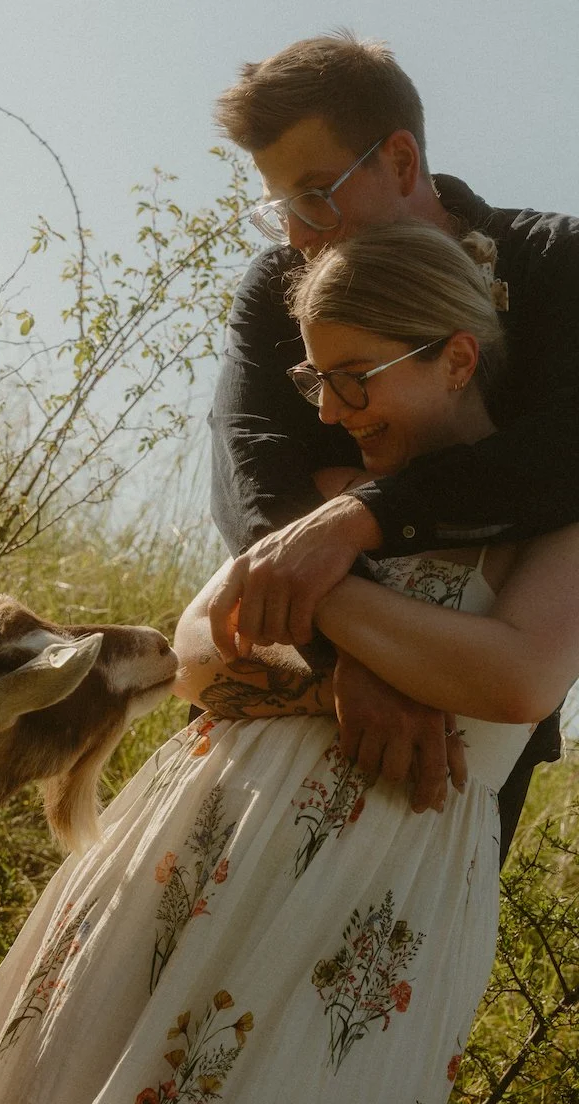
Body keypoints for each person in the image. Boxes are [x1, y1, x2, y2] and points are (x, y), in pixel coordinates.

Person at [0, 224, 579, 1104]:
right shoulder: (336, 492)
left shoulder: (555, 519)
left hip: (369, 903)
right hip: (187, 850)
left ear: (453, 358)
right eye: (315, 379)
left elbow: (516, 677)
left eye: (354, 376)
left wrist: (319, 590)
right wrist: (329, 672)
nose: (330, 408)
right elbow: (195, 651)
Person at [207, 33, 578, 862]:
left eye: (316, 193)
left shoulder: (557, 263)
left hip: (459, 734)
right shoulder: (275, 291)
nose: (300, 234)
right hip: (275, 705)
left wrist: (358, 518)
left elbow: (566, 450)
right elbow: (251, 468)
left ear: (402, 160)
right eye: (280, 205)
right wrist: (346, 653)